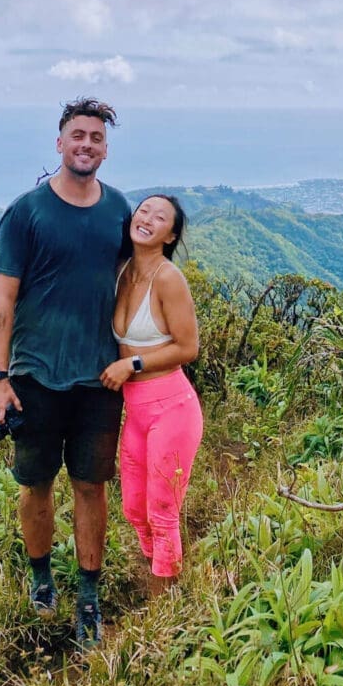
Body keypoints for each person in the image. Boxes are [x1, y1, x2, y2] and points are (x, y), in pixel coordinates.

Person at [0, 97, 131, 648]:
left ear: (105, 148)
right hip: (35, 378)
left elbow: (136, 281)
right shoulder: (26, 213)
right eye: (78, 135)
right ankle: (41, 577)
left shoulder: (119, 210)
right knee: (35, 485)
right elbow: (2, 305)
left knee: (91, 486)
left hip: (100, 379)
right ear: (59, 142)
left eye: (95, 137)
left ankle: (88, 594)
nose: (86, 144)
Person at [99, 194, 202, 591]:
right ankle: (158, 581)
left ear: (170, 234)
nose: (147, 219)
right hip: (137, 412)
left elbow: (187, 347)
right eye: (143, 210)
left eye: (160, 218)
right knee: (133, 509)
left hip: (172, 408)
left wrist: (133, 364)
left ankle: (164, 606)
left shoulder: (168, 278)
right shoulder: (122, 270)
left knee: (162, 511)